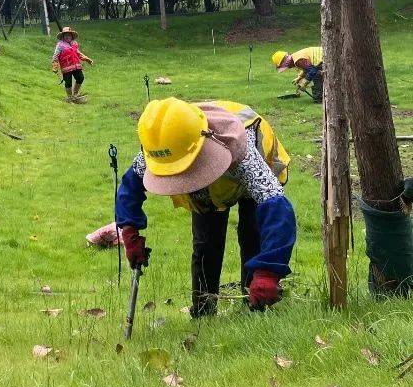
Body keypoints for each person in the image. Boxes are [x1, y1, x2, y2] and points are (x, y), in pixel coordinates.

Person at [115, 98, 296, 317]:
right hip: (208, 183)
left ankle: (255, 307)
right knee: (206, 243)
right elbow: (129, 187)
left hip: (248, 169)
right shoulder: (162, 143)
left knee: (253, 235)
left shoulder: (240, 148)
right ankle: (203, 312)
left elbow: (276, 207)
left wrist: (269, 270)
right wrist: (129, 231)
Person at [50, 26, 92, 102]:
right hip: (66, 68)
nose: (67, 37)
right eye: (65, 35)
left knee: (80, 78)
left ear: (72, 36)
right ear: (63, 37)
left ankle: (75, 94)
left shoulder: (74, 44)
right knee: (68, 82)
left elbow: (78, 53)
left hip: (76, 66)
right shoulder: (60, 45)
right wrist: (54, 65)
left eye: (69, 35)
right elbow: (55, 56)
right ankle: (70, 98)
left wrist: (86, 59)